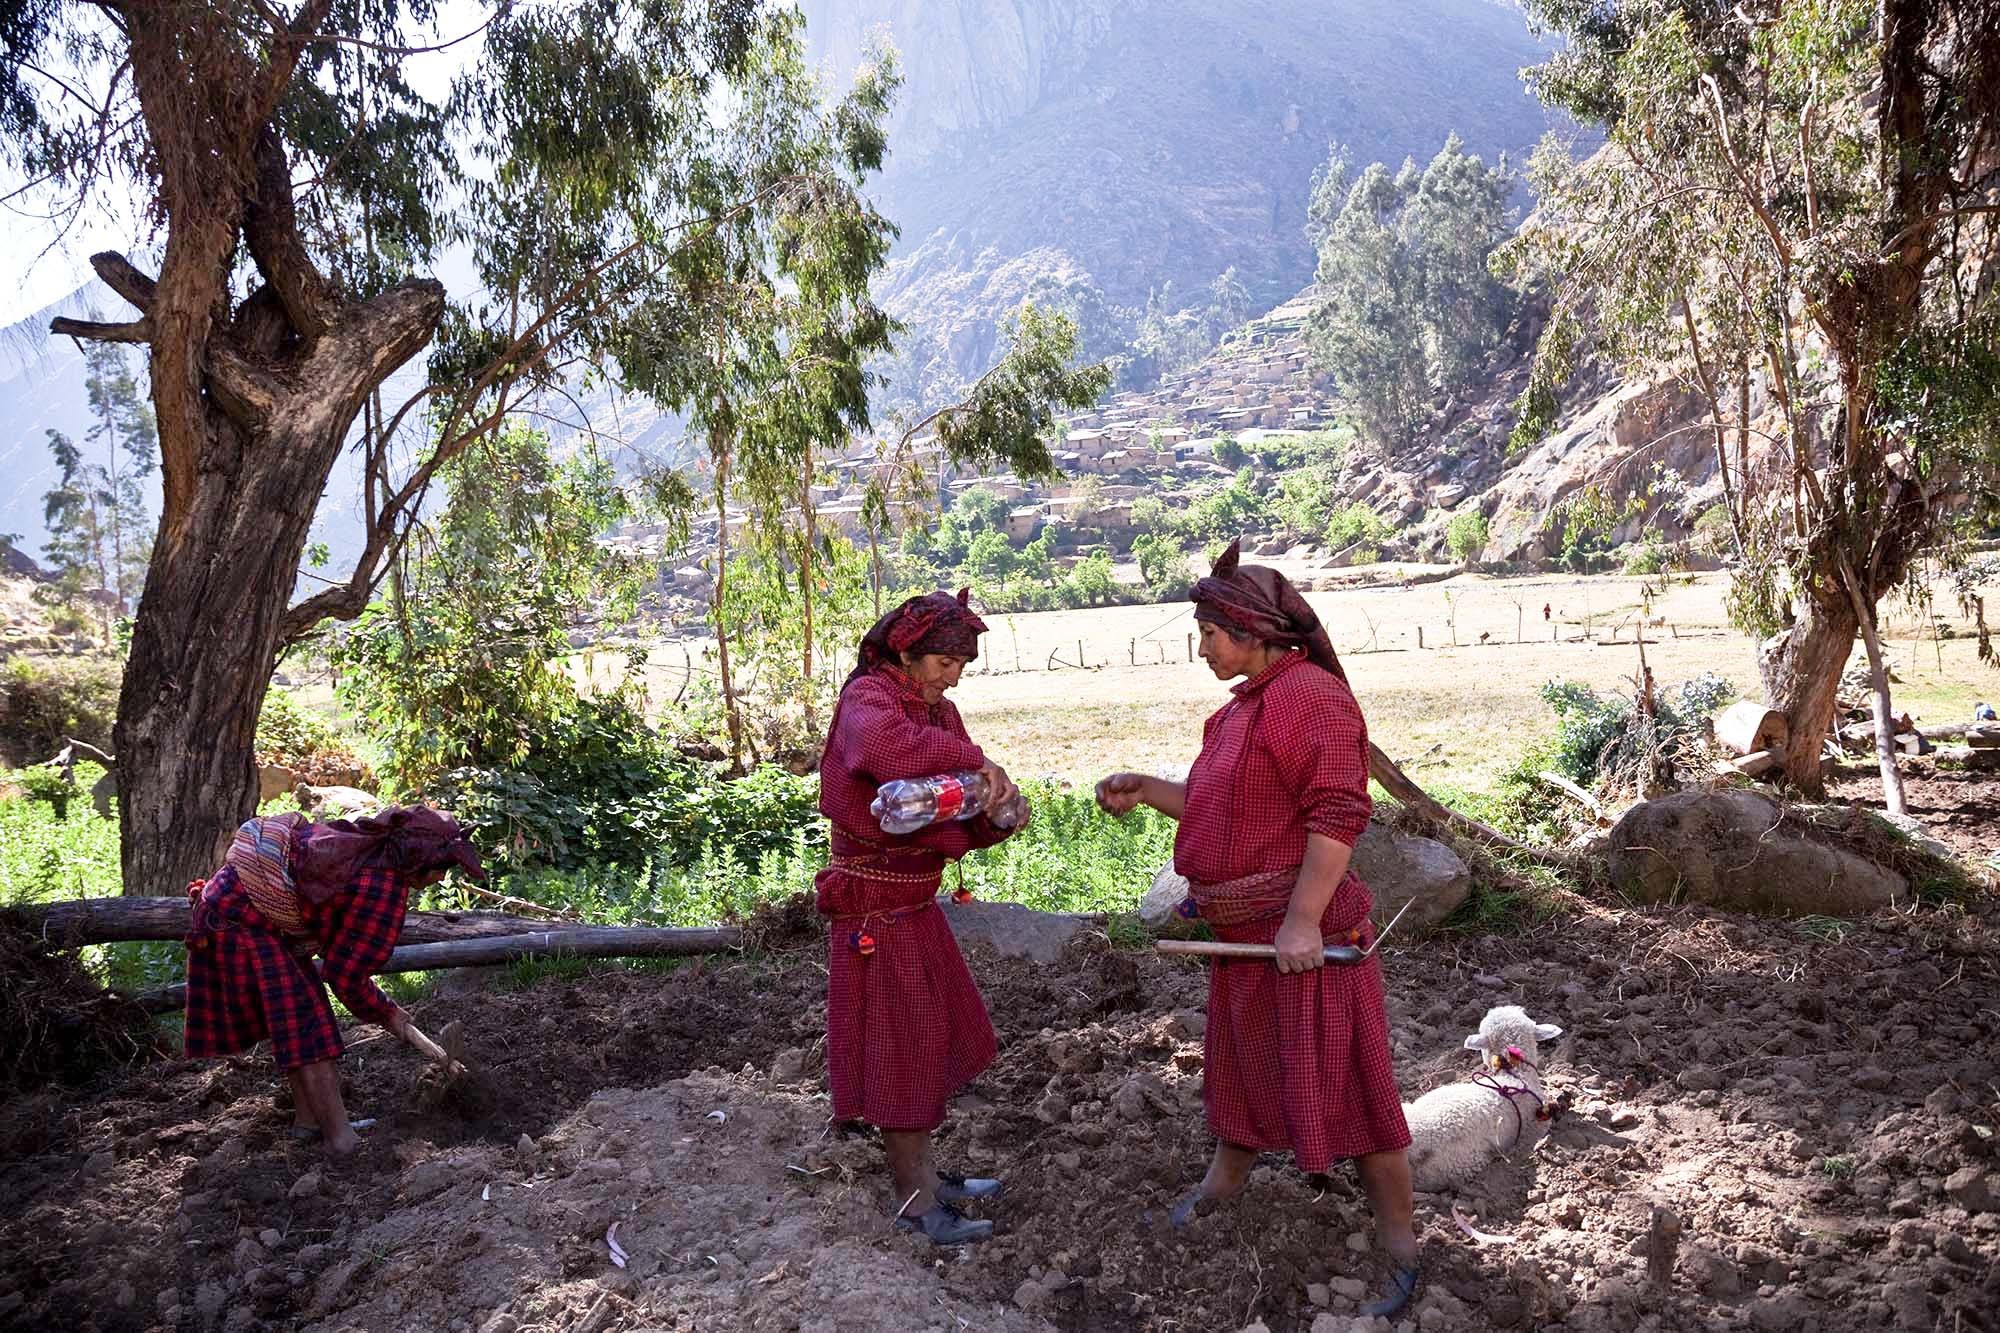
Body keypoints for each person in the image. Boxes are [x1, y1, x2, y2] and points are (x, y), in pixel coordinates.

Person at [1095, 540, 1420, 1318]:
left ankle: (1402, 1245)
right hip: (1248, 943)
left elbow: (1338, 813)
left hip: (1300, 945)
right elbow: (1225, 810)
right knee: (1243, 1072)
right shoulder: (1244, 707)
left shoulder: (1309, 697)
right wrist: (1147, 789)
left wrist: (1304, 920)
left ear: (1251, 630)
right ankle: (1220, 1187)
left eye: (1208, 631)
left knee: (1356, 1091)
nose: (1201, 646)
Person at [816, 588, 1024, 1245]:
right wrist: (975, 765)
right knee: (901, 1051)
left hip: (914, 904)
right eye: (942, 661)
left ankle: (929, 1176)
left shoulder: (942, 712)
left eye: (962, 663)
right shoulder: (868, 701)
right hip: (876, 913)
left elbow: (957, 808)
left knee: (928, 1041)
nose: (952, 675)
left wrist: (999, 813)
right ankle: (914, 1201)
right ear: (906, 651)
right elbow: (892, 752)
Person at [182, 805, 486, 1155]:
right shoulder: (382, 885)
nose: (442, 878)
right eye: (441, 868)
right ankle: (341, 1140)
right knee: (308, 1027)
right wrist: (387, 1013)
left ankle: (309, 1124)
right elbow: (345, 975)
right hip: (238, 921)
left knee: (301, 1019)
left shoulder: (371, 846)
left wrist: (385, 1012)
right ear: (417, 857)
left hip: (235, 911)